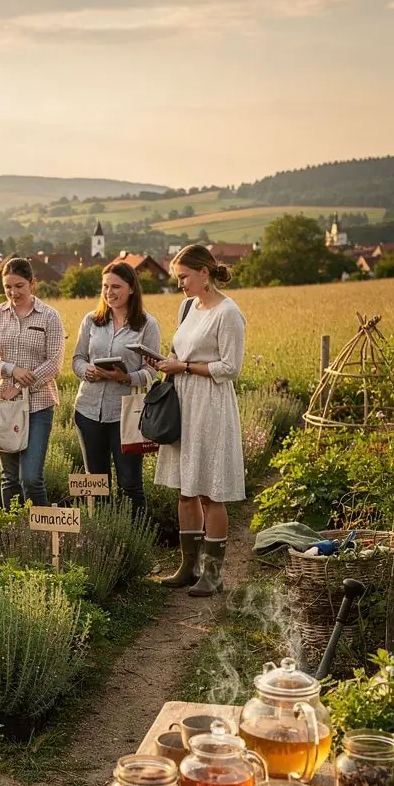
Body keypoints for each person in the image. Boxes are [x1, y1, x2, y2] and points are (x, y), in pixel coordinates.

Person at [149, 244, 246, 596]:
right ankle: (188, 566)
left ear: (204, 273)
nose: (180, 284)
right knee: (184, 489)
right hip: (183, 403)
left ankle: (214, 573)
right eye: (178, 278)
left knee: (209, 491)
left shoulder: (228, 313)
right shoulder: (188, 306)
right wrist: (165, 362)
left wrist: (185, 367)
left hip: (211, 406)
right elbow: (180, 350)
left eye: (184, 277)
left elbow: (230, 368)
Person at [72, 260, 161, 516]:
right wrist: (87, 371)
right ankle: (102, 542)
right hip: (88, 411)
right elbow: (77, 359)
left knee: (130, 483)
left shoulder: (147, 325)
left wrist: (125, 377)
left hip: (126, 415)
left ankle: (135, 544)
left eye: (116, 287)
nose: (109, 292)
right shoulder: (91, 320)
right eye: (105, 286)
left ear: (132, 289)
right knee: (96, 484)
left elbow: (152, 370)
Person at [0, 256, 65, 509]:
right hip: (4, 403)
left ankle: (42, 534)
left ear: (32, 283)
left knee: (31, 478)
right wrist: (10, 369)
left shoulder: (49, 316)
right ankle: (13, 535)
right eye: (8, 287)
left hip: (39, 404)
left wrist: (23, 385)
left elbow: (55, 363)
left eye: (19, 286)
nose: (13, 293)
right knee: (9, 478)